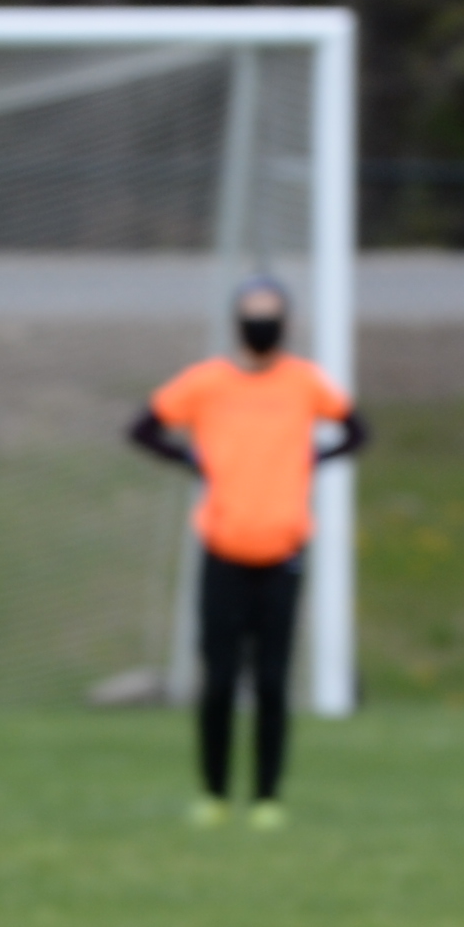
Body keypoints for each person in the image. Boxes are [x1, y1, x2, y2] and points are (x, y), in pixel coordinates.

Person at [132, 276, 363, 830]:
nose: (262, 321)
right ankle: (214, 793)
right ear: (237, 320)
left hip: (283, 549)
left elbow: (356, 431)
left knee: (272, 682)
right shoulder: (208, 383)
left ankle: (267, 797)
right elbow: (144, 428)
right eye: (253, 312)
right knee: (218, 679)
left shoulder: (304, 382)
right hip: (224, 547)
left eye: (270, 312)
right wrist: (192, 461)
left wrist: (310, 461)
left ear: (286, 321)